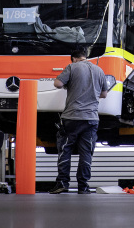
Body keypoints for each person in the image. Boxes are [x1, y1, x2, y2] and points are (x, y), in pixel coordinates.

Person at [49, 45, 110, 194]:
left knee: (65, 150)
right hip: (91, 119)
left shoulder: (72, 67)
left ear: (74, 58)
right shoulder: (99, 70)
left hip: (71, 117)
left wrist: (69, 85)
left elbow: (57, 83)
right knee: (86, 153)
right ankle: (83, 186)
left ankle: (62, 183)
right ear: (85, 56)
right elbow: (104, 94)